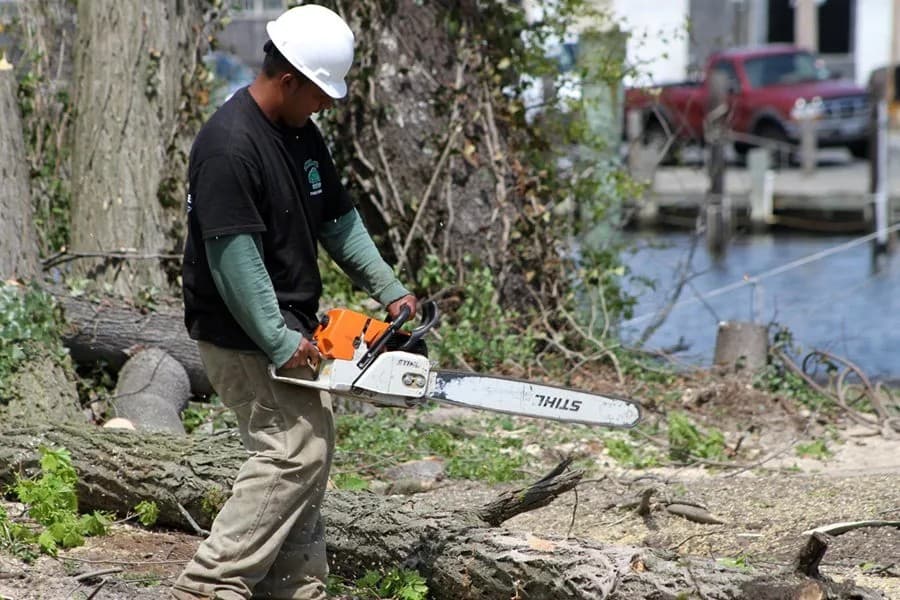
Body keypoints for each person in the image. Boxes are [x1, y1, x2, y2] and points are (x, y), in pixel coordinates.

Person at [173, 5, 416, 599]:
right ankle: (209, 584)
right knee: (291, 450)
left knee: (310, 446)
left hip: (285, 323)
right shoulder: (229, 147)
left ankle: (294, 587)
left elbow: (338, 221)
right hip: (241, 330)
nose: (326, 104)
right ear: (288, 80)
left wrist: (390, 290)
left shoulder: (300, 133)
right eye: (320, 93)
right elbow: (235, 264)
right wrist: (280, 340)